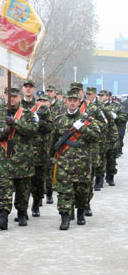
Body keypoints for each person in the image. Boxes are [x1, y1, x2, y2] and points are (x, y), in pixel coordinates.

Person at [0, 86, 38, 230]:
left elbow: (33, 130)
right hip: (4, 160)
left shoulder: (28, 114)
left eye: (15, 96)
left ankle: (22, 213)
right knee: (4, 190)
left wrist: (16, 123)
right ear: (4, 96)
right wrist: (4, 130)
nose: (12, 99)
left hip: (23, 160)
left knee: (23, 190)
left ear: (20, 97)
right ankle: (3, 217)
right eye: (9, 96)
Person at [51, 90, 100, 230]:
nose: (72, 103)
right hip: (64, 162)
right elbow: (53, 141)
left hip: (82, 162)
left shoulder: (88, 120)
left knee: (82, 191)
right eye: (69, 100)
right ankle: (65, 217)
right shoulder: (59, 119)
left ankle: (80, 213)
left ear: (79, 102)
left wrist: (83, 129)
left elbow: (96, 137)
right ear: (65, 101)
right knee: (64, 191)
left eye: (75, 100)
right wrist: (51, 157)